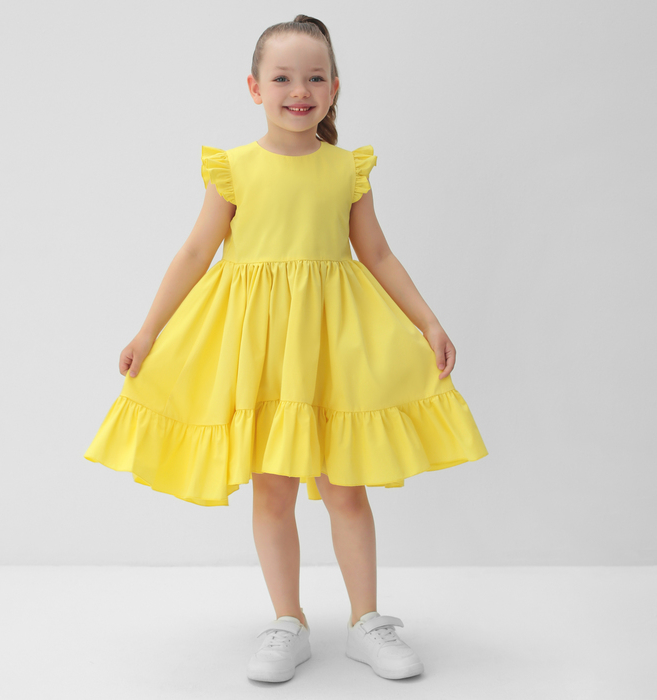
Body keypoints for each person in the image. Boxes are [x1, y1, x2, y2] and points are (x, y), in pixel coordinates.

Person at [84, 14, 488, 684]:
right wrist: (148, 329)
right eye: (281, 78)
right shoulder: (234, 169)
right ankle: (287, 621)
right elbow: (195, 252)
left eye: (314, 77)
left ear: (334, 88)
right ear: (254, 88)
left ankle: (366, 621)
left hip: (332, 347)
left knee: (346, 487)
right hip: (263, 351)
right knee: (272, 489)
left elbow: (378, 254)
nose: (299, 90)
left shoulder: (347, 169)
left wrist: (429, 323)